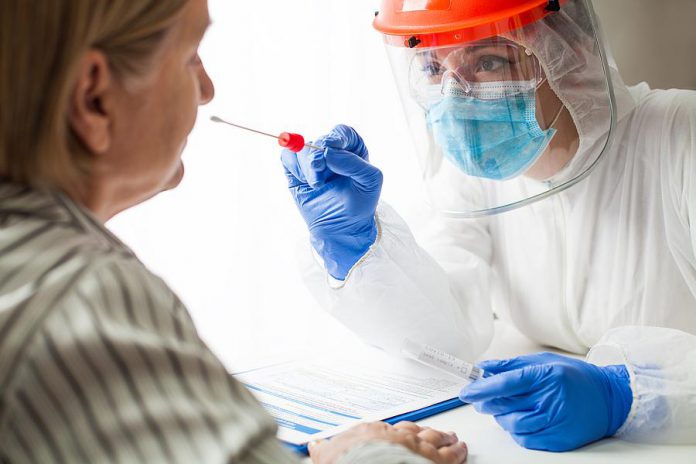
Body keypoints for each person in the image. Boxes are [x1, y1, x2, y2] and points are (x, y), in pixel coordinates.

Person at [0, 1, 470, 463]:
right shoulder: (82, 297)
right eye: (190, 57)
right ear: (93, 99)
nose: (206, 90)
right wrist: (362, 454)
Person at [281, 0, 696, 452]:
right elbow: (444, 337)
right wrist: (357, 249)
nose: (455, 93)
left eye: (488, 61)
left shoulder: (682, 139)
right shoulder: (478, 178)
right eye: (433, 67)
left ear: (570, 53)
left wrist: (631, 395)